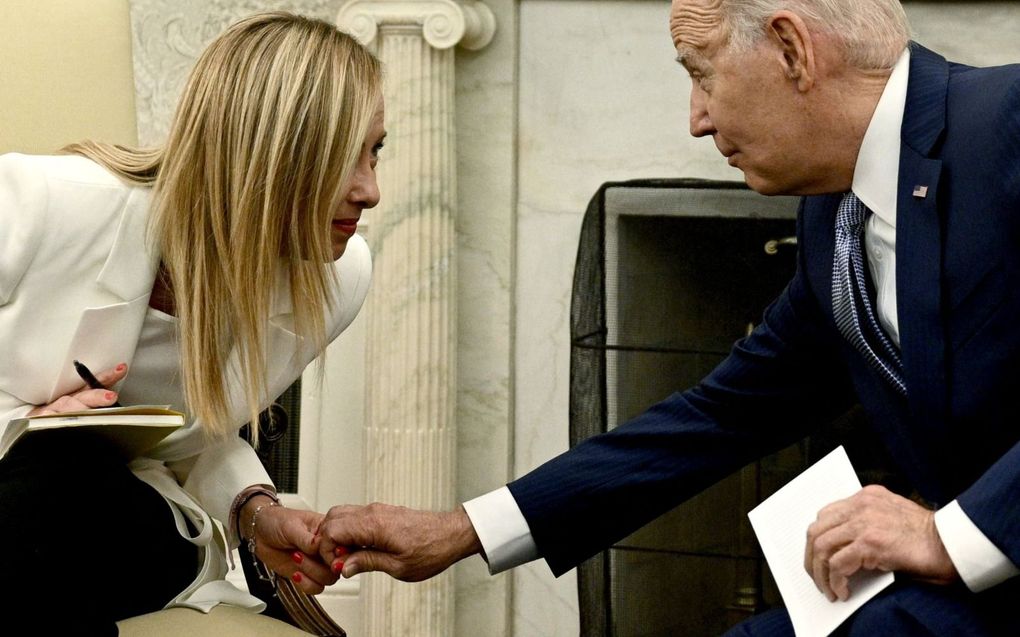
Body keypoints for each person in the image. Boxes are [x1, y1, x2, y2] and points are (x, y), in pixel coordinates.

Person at [314, 0, 1020, 634]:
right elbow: (717, 417)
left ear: (791, 50)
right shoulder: (833, 217)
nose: (697, 118)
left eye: (702, 74)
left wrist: (945, 535)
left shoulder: (1009, 124)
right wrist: (461, 530)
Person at [0, 11, 385, 635]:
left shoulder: (340, 279)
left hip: (134, 528)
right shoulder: (46, 202)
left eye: (376, 151)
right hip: (32, 515)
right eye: (346, 157)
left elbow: (197, 430)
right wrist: (20, 427)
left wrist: (255, 511)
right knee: (47, 491)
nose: (370, 190)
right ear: (262, 151)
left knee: (64, 498)